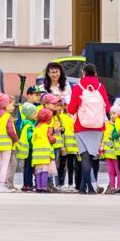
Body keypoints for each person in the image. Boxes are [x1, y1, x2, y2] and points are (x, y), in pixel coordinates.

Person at [69, 63, 110, 194]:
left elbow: (71, 108)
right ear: (96, 74)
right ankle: (83, 187)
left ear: (83, 73)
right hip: (97, 126)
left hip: (82, 126)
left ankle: (89, 188)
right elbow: (108, 107)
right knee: (90, 157)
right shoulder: (101, 87)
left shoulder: (78, 87)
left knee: (84, 157)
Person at [28, 97, 60, 192]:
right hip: (45, 154)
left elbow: (32, 140)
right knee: (45, 171)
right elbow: (50, 138)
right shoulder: (47, 127)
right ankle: (44, 187)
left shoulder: (36, 127)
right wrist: (54, 140)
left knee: (38, 171)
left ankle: (38, 187)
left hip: (36, 154)